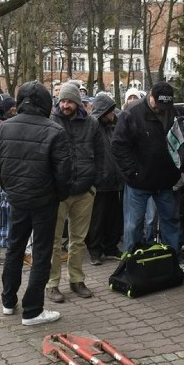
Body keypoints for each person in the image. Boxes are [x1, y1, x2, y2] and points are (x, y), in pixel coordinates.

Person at [0, 81, 72, 326]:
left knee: (15, 249)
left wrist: (12, 189)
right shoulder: (54, 130)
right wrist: (57, 195)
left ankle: (8, 301)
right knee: (41, 252)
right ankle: (32, 309)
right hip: (43, 200)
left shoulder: (4, 128)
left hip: (18, 198)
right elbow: (64, 174)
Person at [45, 83, 103, 302]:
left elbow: (101, 154)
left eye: (69, 101)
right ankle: (52, 283)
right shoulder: (51, 123)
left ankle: (77, 279)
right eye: (62, 101)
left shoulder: (92, 124)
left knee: (78, 240)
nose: (65, 105)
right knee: (54, 240)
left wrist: (93, 185)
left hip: (85, 190)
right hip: (58, 191)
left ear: (77, 102)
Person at [112, 82, 182, 253]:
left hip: (165, 181)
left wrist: (176, 171)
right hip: (139, 182)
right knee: (133, 225)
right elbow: (118, 145)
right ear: (150, 96)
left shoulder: (173, 112)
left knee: (171, 221)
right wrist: (133, 172)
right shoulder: (131, 113)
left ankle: (173, 261)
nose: (161, 109)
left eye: (165, 105)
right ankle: (130, 263)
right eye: (157, 105)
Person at [85, 94, 123, 265]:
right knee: (97, 219)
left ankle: (110, 247)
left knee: (113, 218)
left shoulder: (112, 126)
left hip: (114, 181)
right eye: (110, 111)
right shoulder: (92, 127)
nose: (113, 114)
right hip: (99, 182)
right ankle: (94, 250)